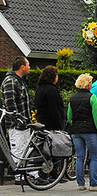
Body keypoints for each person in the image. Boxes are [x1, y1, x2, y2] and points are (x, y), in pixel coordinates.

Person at [1, 56, 43, 185]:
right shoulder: (11, 82)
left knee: (26, 149)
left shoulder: (18, 81)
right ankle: (20, 177)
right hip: (16, 125)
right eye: (28, 65)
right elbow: (10, 105)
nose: (30, 67)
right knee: (18, 149)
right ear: (22, 67)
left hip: (23, 124)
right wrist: (18, 120)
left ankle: (30, 175)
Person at [67, 73, 97, 192]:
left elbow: (69, 116)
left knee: (80, 157)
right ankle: (93, 184)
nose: (91, 84)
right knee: (94, 157)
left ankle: (81, 184)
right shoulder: (92, 97)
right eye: (90, 82)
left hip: (76, 131)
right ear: (87, 84)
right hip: (89, 130)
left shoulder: (72, 98)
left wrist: (76, 123)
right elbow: (96, 117)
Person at [34, 66, 66, 130]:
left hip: (41, 122)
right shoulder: (52, 90)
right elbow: (54, 109)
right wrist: (60, 125)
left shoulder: (39, 88)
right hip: (51, 125)